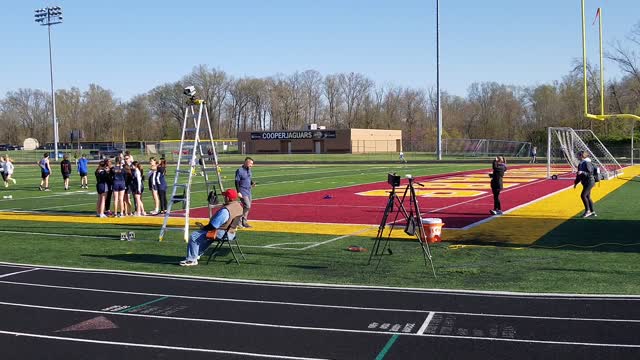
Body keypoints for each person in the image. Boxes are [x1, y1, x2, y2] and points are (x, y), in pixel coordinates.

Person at [179, 189, 244, 266]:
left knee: (194, 236)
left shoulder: (225, 211)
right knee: (206, 236)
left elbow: (213, 226)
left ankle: (191, 259)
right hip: (232, 233)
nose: (224, 197)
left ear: (228, 198)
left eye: (225, 196)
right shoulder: (239, 206)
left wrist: (203, 227)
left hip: (222, 233)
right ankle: (196, 254)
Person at [574, 151, 598, 218]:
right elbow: (578, 175)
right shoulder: (580, 163)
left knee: (583, 195)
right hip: (585, 182)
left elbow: (590, 173)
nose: (577, 156)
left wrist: (582, 172)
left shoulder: (587, 163)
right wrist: (576, 182)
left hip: (590, 181)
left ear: (581, 156)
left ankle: (587, 211)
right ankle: (592, 211)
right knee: (587, 196)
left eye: (578, 155)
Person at [235, 156, 255, 228]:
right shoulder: (239, 170)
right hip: (242, 190)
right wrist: (238, 192)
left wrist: (252, 183)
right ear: (247, 162)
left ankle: (244, 222)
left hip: (248, 190)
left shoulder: (249, 170)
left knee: (248, 207)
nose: (252, 165)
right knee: (247, 205)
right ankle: (239, 222)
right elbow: (236, 181)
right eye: (251, 164)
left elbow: (249, 178)